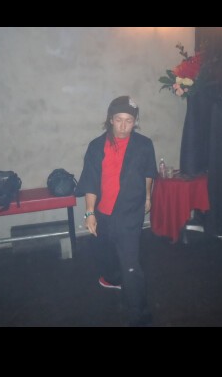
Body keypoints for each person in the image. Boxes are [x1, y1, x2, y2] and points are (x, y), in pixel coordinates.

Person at [75, 95, 158, 327]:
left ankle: (140, 316)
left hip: (129, 211)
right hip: (103, 212)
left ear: (135, 122)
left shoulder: (143, 145)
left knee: (130, 265)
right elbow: (90, 181)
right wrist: (89, 213)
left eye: (128, 121)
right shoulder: (96, 146)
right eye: (119, 120)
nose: (123, 126)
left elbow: (148, 173)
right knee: (103, 249)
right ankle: (112, 278)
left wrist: (148, 197)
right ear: (110, 119)